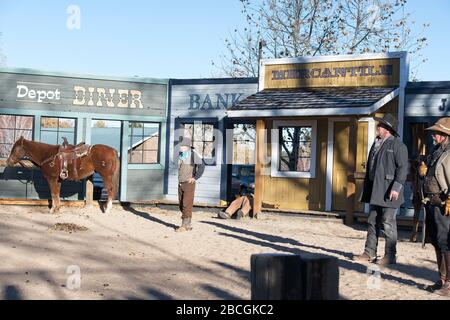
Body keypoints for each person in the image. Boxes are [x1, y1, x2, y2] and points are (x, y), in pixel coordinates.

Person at [353, 114, 408, 266]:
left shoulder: (398, 146)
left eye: (381, 126)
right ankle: (369, 252)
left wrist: (396, 188)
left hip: (389, 191)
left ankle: (390, 255)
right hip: (374, 190)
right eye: (379, 125)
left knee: (388, 222)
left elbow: (403, 169)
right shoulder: (376, 144)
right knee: (372, 221)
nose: (378, 127)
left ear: (388, 129)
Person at [419, 117, 450, 296]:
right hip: (430, 202)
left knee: (446, 242)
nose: (433, 136)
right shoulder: (436, 151)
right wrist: (423, 170)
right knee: (437, 241)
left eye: (437, 133)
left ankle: (449, 283)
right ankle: (442, 279)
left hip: (444, 203)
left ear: (445, 135)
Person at [175, 137, 205, 232]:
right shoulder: (180, 155)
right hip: (180, 182)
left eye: (182, 146)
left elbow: (202, 166)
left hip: (189, 183)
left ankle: (185, 225)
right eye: (180, 145)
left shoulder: (192, 155)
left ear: (187, 146)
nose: (180, 147)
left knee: (186, 204)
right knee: (181, 204)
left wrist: (195, 178)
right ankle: (187, 224)